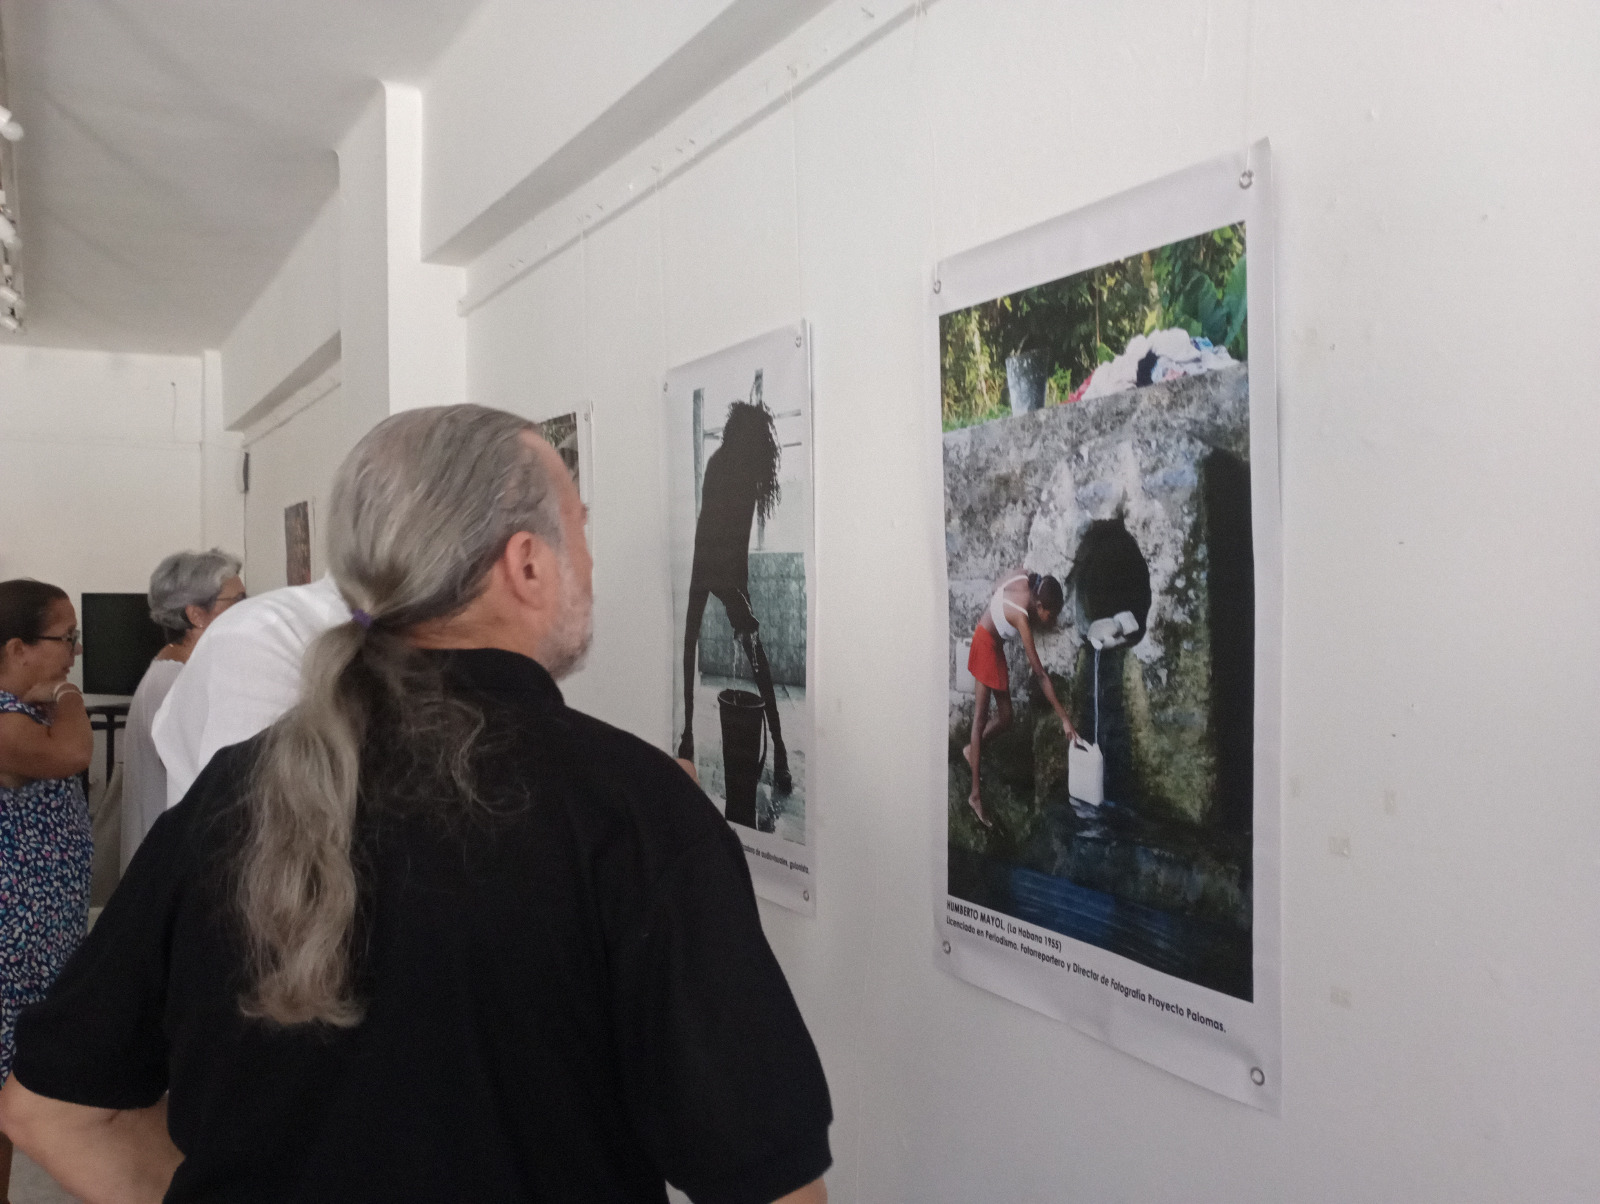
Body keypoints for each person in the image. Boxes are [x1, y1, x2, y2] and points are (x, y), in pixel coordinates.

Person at [0, 404, 831, 1204]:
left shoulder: (237, 791)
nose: (589, 557)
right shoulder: (637, 811)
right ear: (527, 562)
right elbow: (769, 1184)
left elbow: (50, 1111)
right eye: (578, 526)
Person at [0, 579, 93, 1204]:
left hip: (40, 926)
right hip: (13, 937)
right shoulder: (9, 722)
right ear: (16, 648)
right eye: (65, 639)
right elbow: (76, 754)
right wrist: (66, 694)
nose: (75, 653)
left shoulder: (24, 710)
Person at [151, 573, 350, 811]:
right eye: (238, 598)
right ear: (196, 614)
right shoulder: (249, 640)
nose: (245, 604)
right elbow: (243, 800)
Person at [677, 395, 793, 797]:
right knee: (693, 643)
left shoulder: (742, 473)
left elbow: (739, 540)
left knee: (751, 653)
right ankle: (689, 735)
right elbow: (711, 535)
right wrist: (736, 596)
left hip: (722, 570)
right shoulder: (722, 466)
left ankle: (778, 748)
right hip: (705, 564)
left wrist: (741, 596)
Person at [120, 550, 245, 871]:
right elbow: (206, 782)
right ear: (196, 616)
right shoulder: (173, 682)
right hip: (170, 863)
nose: (249, 610)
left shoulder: (183, 672)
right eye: (238, 601)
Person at [963, 569, 1076, 827]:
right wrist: (1065, 719)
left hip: (994, 645)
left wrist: (998, 611)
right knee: (979, 719)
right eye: (1050, 614)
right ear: (1038, 606)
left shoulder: (1026, 578)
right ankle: (975, 796)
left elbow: (996, 585)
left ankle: (972, 749)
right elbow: (1041, 675)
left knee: (1006, 718)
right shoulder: (1022, 618)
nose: (1051, 621)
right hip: (984, 645)